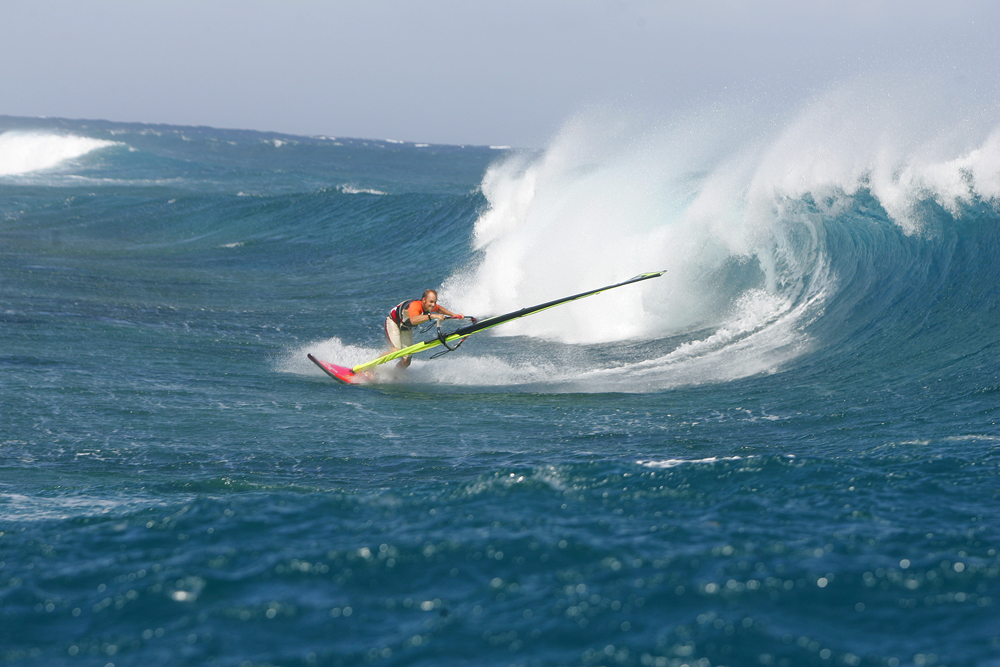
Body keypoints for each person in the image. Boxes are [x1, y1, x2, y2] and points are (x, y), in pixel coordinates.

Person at [384, 289, 463, 369]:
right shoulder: (415, 306)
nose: (433, 305)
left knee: (406, 361)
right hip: (393, 322)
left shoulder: (429, 306)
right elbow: (413, 320)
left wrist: (454, 315)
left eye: (435, 302)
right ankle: (371, 368)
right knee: (395, 351)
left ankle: (395, 375)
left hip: (406, 327)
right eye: (431, 302)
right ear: (424, 300)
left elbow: (439, 309)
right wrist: (431, 316)